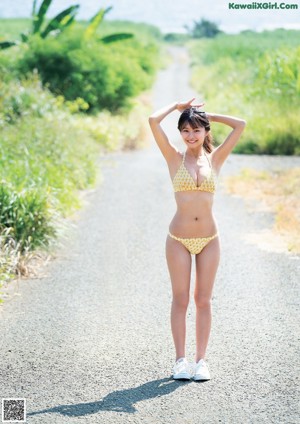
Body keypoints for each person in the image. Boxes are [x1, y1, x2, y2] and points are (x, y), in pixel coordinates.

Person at [148, 98, 246, 381]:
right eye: (185, 131)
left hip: (209, 239)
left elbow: (241, 125)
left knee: (203, 300)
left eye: (196, 130)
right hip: (178, 238)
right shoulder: (173, 158)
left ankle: (201, 361)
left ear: (205, 131)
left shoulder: (216, 158)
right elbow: (153, 121)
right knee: (180, 299)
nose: (190, 136)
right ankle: (180, 361)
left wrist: (207, 114)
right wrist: (177, 107)